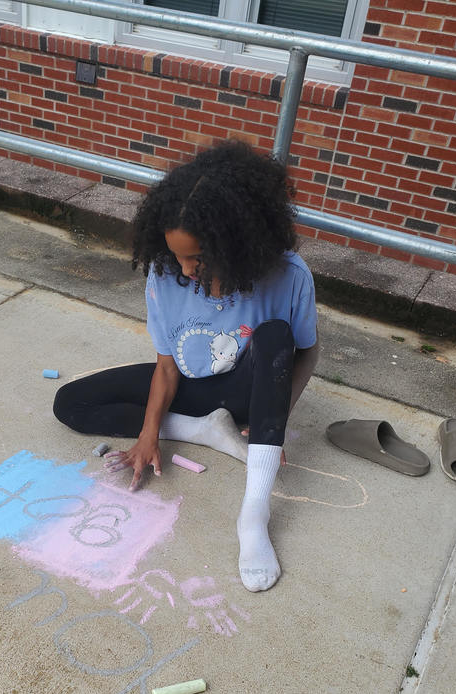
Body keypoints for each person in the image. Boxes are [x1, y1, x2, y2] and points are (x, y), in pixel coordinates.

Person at [53, 140, 319, 592]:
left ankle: (254, 514)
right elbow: (166, 366)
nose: (185, 267)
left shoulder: (288, 276)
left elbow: (306, 353)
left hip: (245, 393)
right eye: (176, 254)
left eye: (195, 256)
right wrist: (148, 434)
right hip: (190, 387)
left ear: (233, 243)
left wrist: (272, 417)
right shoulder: (165, 273)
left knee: (276, 335)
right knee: (70, 402)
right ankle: (203, 430)